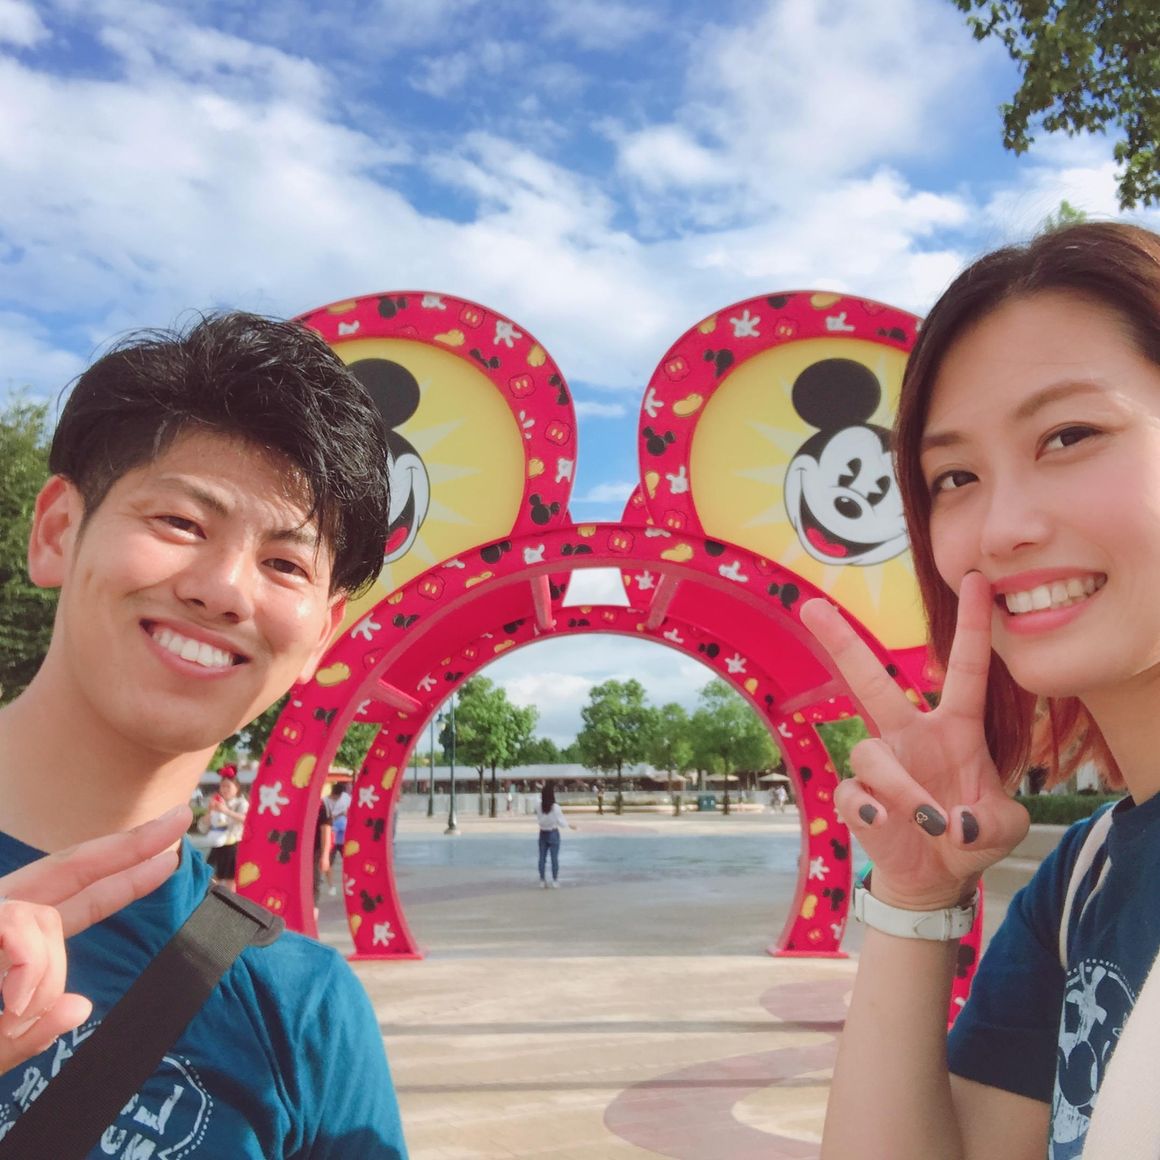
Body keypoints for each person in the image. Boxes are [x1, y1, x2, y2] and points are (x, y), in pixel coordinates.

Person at [0, 312, 408, 1155]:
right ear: (58, 532)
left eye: (285, 564)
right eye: (181, 522)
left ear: (319, 639)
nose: (223, 590)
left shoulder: (299, 1011)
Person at [803, 221, 1160, 1160]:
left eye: (1069, 435)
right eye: (954, 476)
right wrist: (915, 898)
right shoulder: (1084, 883)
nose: (1000, 529)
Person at [205, 764, 248, 890]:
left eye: (228, 786)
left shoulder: (241, 803)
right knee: (211, 878)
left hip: (233, 846)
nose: (224, 789)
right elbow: (203, 826)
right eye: (222, 786)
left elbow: (246, 819)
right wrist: (210, 812)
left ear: (237, 787)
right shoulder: (217, 803)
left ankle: (230, 901)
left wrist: (226, 811)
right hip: (217, 845)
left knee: (230, 882)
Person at [535, 784, 573, 888]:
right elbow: (561, 822)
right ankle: (555, 880)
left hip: (542, 833)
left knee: (542, 858)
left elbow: (537, 800)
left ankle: (542, 880)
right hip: (553, 833)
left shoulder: (538, 806)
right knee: (554, 858)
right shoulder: (555, 807)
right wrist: (569, 825)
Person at [323, 779, 351, 894]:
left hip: (344, 834)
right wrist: (338, 815)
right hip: (331, 833)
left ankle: (349, 883)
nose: (336, 799)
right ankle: (331, 885)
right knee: (328, 860)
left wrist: (346, 814)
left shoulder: (346, 798)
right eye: (335, 797)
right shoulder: (325, 801)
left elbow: (350, 811)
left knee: (349, 861)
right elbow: (326, 819)